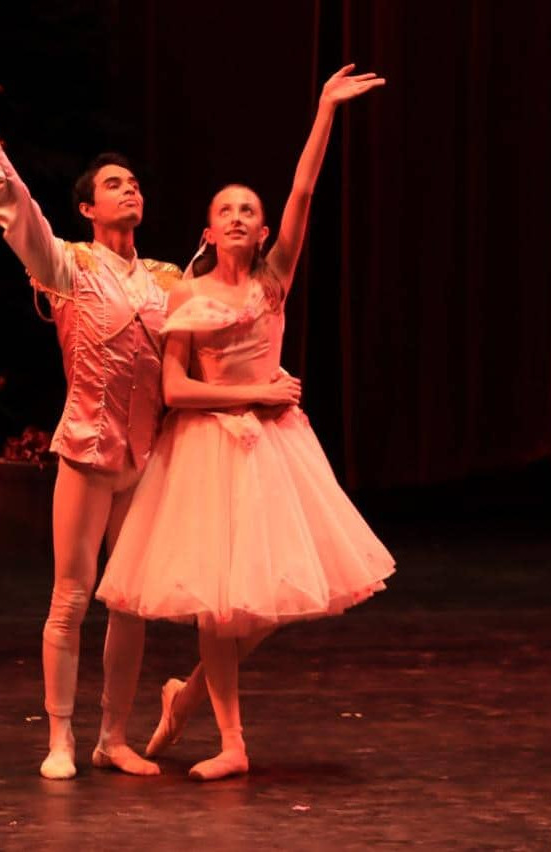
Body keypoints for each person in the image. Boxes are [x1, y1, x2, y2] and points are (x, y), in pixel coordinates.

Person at [96, 64, 395, 781]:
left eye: (249, 211)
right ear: (207, 228)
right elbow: (173, 388)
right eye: (225, 209)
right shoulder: (186, 293)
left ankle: (190, 694)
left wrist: (324, 109)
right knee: (218, 601)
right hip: (207, 447)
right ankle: (233, 740)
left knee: (265, 605)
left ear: (263, 233)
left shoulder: (275, 280)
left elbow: (304, 190)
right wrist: (253, 394)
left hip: (275, 452)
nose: (238, 216)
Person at [0, 65, 182, 779]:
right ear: (87, 210)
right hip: (87, 450)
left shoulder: (167, 279)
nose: (129, 189)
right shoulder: (68, 266)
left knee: (130, 601)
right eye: (114, 184)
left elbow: (225, 312)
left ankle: (113, 736)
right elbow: (16, 211)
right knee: (72, 594)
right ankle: (62, 737)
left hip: (145, 456)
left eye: (134, 182)